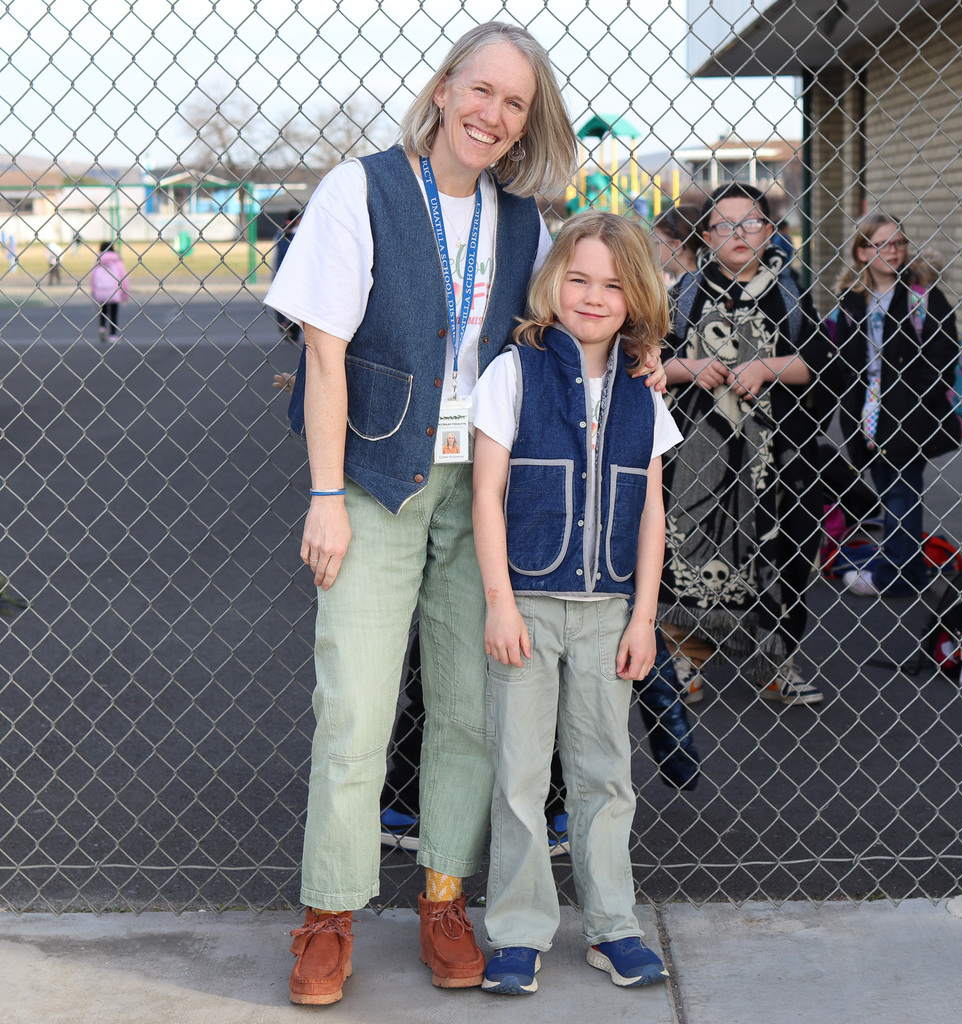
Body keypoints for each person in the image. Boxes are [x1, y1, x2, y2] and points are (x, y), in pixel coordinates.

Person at [263, 21, 579, 1005]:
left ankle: (444, 899)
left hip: (476, 496)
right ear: (443, 90)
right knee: (353, 704)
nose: (492, 114)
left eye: (514, 103)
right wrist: (324, 495)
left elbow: (557, 338)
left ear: (527, 122)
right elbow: (323, 354)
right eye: (479, 91)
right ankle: (329, 912)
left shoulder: (523, 219)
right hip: (375, 482)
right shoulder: (362, 191)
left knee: (466, 708)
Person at [472, 211, 679, 994]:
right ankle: (519, 931)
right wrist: (499, 603)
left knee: (604, 775)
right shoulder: (512, 374)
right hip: (525, 604)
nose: (594, 296)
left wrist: (642, 618)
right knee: (520, 777)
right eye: (580, 278)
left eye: (615, 284)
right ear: (553, 281)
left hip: (607, 614)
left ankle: (612, 927)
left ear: (637, 299)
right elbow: (485, 496)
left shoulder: (642, 389)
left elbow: (652, 510)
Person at [659, 182, 828, 706]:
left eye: (750, 222)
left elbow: (820, 366)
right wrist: (689, 367)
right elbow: (650, 364)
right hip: (694, 458)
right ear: (706, 236)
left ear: (770, 230)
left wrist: (764, 366)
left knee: (774, 555)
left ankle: (775, 663)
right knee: (687, 551)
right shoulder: (683, 294)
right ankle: (686, 657)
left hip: (773, 457)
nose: (738, 233)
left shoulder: (789, 292)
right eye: (724, 225)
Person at [831, 213, 960, 597]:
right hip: (865, 412)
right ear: (861, 251)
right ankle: (905, 564)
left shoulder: (923, 296)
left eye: (899, 243)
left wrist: (917, 407)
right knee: (889, 490)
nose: (893, 251)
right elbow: (842, 359)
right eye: (882, 244)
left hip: (908, 409)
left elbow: (943, 356)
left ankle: (899, 576)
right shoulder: (852, 299)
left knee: (903, 491)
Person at [89, 241, 129, 343]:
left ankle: (102, 328)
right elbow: (123, 277)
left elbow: (93, 276)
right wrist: (125, 292)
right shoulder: (117, 260)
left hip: (100, 290)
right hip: (114, 290)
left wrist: (93, 290)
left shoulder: (98, 260)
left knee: (103, 310)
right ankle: (113, 335)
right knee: (113, 313)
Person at [652, 202, 700, 285]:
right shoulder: (704, 281)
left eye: (657, 242)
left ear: (678, 246)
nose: (653, 248)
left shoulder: (686, 291)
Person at [273, 210, 302, 343]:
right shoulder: (300, 233)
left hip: (280, 272)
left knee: (280, 300)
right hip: (296, 273)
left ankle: (283, 323)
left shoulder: (280, 233)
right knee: (297, 303)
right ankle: (292, 327)